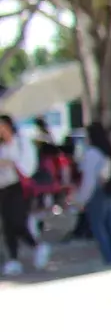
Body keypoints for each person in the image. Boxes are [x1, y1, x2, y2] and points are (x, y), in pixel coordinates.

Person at [0, 116, 47, 274]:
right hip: (3, 188)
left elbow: (28, 166)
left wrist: (12, 163)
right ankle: (13, 259)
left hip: (18, 187)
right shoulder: (2, 146)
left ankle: (37, 246)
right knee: (7, 226)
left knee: (18, 221)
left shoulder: (21, 143)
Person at [75, 123, 111, 266]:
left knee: (98, 226)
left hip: (97, 193)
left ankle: (108, 258)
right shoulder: (108, 151)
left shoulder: (91, 154)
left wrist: (82, 199)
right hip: (110, 191)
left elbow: (89, 179)